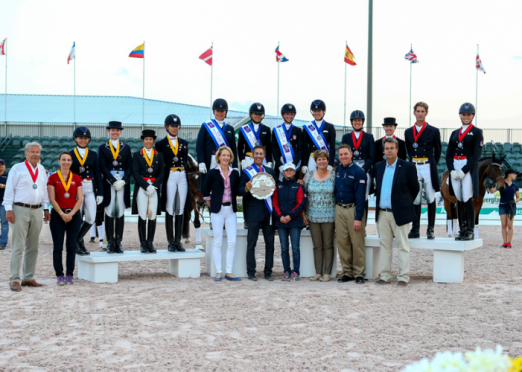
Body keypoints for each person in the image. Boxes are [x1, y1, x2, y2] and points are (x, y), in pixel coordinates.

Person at [3, 142, 50, 292]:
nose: (35, 154)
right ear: (26, 154)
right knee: (18, 245)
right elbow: (9, 190)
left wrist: (46, 208)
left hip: (36, 210)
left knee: (33, 246)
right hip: (20, 209)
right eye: (32, 152)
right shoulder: (17, 169)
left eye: (37, 152)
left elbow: (44, 190)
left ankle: (28, 277)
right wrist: (8, 209)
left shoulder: (42, 169)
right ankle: (14, 279)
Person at [374, 138, 419, 286]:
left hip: (399, 213)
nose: (389, 150)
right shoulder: (379, 167)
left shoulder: (407, 167)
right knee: (385, 246)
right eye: (386, 148)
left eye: (392, 148)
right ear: (383, 150)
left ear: (397, 149)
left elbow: (415, 189)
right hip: (382, 213)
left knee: (403, 246)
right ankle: (385, 276)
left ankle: (403, 277)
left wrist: (403, 204)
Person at [237, 145, 277, 281]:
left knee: (270, 244)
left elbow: (275, 191)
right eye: (256, 154)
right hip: (253, 212)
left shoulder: (271, 171)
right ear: (253, 156)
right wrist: (246, 188)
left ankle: (268, 271)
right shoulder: (246, 172)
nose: (259, 156)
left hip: (268, 212)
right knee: (251, 243)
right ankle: (251, 271)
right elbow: (239, 191)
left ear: (264, 155)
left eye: (261, 153)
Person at [446, 103, 484, 241]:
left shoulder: (477, 132)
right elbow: (448, 154)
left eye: (468, 114)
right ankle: (462, 229)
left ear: (472, 115)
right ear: (460, 115)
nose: (466, 116)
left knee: (467, 198)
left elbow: (476, 155)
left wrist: (464, 170)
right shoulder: (455, 133)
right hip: (455, 164)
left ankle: (470, 230)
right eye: (464, 114)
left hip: (467, 165)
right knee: (459, 199)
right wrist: (451, 170)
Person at [202, 146, 241, 281]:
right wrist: (212, 207)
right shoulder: (212, 173)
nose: (226, 158)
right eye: (223, 155)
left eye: (228, 156)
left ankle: (229, 271)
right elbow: (205, 192)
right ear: (218, 157)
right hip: (217, 211)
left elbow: (239, 190)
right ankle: (219, 271)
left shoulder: (235, 173)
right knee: (217, 242)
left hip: (231, 211)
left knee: (232, 242)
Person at [404, 102, 442, 239]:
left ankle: (430, 229)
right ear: (414, 113)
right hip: (414, 165)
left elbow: (438, 150)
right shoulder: (408, 132)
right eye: (418, 111)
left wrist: (431, 163)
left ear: (426, 113)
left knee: (431, 197)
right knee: (416, 197)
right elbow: (409, 149)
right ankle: (415, 229)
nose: (420, 113)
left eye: (422, 111)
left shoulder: (434, 131)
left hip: (427, 165)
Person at [48, 152, 84, 285]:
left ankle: (69, 274)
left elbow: (80, 199)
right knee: (57, 247)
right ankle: (59, 275)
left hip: (74, 215)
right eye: (63, 159)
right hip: (58, 216)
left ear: (71, 162)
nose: (66, 162)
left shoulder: (76, 177)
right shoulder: (52, 177)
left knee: (71, 247)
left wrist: (71, 214)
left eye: (68, 160)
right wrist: (62, 214)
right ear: (58, 161)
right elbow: (52, 198)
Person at [156, 115, 190, 252]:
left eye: (176, 126)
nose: (175, 128)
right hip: (170, 175)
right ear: (166, 127)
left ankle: (178, 241)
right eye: (172, 126)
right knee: (170, 207)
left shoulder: (184, 142)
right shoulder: (161, 144)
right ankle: (170, 241)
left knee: (180, 208)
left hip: (182, 175)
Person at [98, 121, 132, 254]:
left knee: (120, 211)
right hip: (109, 182)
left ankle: (119, 242)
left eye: (117, 130)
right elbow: (102, 166)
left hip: (122, 182)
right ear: (108, 131)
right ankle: (110, 243)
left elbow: (129, 165)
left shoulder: (126, 147)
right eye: (113, 130)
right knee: (110, 210)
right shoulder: (103, 147)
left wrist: (124, 180)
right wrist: (112, 180)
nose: (115, 132)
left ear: (120, 132)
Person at [69, 126, 104, 256]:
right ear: (75, 139)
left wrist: (99, 192)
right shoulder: (70, 154)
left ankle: (76, 240)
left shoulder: (93, 154)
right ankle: (80, 243)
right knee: (77, 218)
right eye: (80, 138)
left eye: (85, 138)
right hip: (76, 189)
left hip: (90, 187)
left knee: (91, 217)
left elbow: (98, 174)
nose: (83, 140)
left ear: (88, 139)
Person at [335, 144, 366, 284]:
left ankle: (359, 273)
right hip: (339, 209)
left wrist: (358, 218)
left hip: (353, 209)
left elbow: (360, 197)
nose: (343, 157)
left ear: (351, 154)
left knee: (357, 242)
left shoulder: (359, 172)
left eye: (345, 154)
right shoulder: (338, 170)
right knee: (343, 242)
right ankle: (347, 272)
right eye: (341, 154)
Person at [303, 150, 336, 282]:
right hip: (312, 216)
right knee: (317, 245)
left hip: (329, 215)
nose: (321, 161)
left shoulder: (333, 175)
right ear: (315, 162)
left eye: (324, 159)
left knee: (328, 245)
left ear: (327, 160)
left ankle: (327, 273)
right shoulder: (308, 176)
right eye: (319, 159)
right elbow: (304, 195)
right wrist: (304, 214)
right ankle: (318, 272)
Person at [132, 129, 165, 254]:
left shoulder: (159, 155)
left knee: (152, 214)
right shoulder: (137, 155)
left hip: (154, 188)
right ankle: (143, 243)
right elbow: (135, 173)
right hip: (142, 187)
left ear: (153, 140)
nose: (148, 141)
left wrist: (154, 186)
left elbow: (162, 173)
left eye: (150, 139)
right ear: (142, 140)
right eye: (146, 139)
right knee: (142, 214)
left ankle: (150, 242)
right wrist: (146, 186)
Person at [273, 163, 307, 281]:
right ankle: (286, 270)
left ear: (294, 172)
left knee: (295, 248)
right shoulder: (278, 186)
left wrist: (290, 216)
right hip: (281, 221)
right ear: (283, 172)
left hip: (295, 221)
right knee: (284, 248)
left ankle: (296, 271)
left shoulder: (298, 186)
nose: (288, 172)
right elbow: (275, 203)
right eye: (286, 170)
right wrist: (280, 216)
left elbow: (301, 203)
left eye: (291, 170)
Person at [196, 98, 238, 191]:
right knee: (209, 183)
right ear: (214, 111)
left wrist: (235, 166)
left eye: (222, 111)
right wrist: (201, 161)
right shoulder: (206, 126)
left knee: (224, 184)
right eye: (217, 111)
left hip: (226, 160)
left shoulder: (230, 128)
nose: (220, 113)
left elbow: (233, 149)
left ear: (226, 112)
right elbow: (200, 145)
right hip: (211, 159)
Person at [341, 110, 375, 204]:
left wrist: (363, 169)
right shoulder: (346, 137)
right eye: (355, 120)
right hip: (350, 168)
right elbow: (343, 154)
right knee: (350, 194)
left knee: (363, 197)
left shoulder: (369, 136)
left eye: (359, 120)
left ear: (362, 122)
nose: (357, 122)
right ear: (352, 122)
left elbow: (371, 156)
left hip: (364, 168)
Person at [301, 100, 336, 174]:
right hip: (312, 158)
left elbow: (332, 147)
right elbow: (304, 147)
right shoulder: (307, 127)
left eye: (319, 110)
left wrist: (331, 164)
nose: (317, 113)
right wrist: (304, 164)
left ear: (323, 111)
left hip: (325, 158)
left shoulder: (330, 127)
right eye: (315, 111)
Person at [271, 103, 303, 181]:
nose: (289, 116)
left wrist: (294, 164)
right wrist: (279, 165)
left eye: (292, 114)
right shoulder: (276, 130)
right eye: (287, 114)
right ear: (283, 115)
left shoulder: (298, 130)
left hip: (294, 162)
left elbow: (300, 149)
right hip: (281, 162)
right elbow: (274, 150)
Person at [238, 102, 272, 170]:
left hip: (262, 159)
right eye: (255, 113)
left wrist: (269, 161)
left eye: (260, 114)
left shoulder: (267, 129)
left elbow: (268, 148)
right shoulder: (243, 129)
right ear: (251, 114)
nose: (258, 116)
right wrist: (242, 160)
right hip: (248, 159)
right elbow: (240, 147)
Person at [497, 169, 519, 248]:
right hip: (502, 206)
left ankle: (509, 242)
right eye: (514, 174)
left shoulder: (515, 185)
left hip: (511, 207)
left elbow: (518, 198)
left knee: (510, 225)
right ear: (509, 174)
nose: (516, 175)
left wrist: (514, 201)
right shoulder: (502, 184)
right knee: (503, 225)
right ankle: (504, 242)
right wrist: (493, 186)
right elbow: (492, 191)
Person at [0, 159, 9, 250]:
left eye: (2, 164)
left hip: (3, 202)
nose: (0, 166)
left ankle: (3, 242)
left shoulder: (8, 175)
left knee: (4, 223)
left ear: (4, 166)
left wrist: (1, 185)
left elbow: (11, 187)